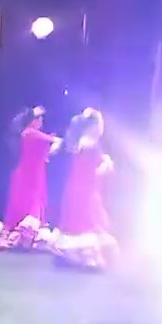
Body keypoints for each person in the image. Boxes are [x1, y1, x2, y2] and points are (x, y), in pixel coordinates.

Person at [54, 107, 118, 269]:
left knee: (82, 223)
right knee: (87, 223)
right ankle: (87, 258)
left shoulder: (82, 142)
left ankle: (78, 256)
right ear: (94, 126)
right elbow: (95, 171)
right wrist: (106, 164)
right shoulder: (89, 143)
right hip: (85, 192)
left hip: (80, 189)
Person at [0, 105, 62, 250]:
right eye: (39, 118)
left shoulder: (33, 135)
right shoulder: (29, 133)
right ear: (32, 120)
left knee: (27, 208)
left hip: (34, 176)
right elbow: (53, 141)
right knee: (19, 209)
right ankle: (11, 238)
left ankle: (21, 239)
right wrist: (55, 141)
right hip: (27, 177)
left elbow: (49, 148)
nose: (41, 121)